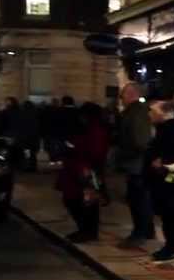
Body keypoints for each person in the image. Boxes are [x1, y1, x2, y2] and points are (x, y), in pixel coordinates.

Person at [55, 103, 110, 243]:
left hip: (85, 171)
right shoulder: (87, 128)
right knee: (79, 201)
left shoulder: (95, 130)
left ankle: (88, 231)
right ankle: (85, 230)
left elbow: (95, 152)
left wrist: (74, 149)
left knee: (83, 202)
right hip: (79, 169)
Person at [145, 99, 174, 261]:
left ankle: (173, 246)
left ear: (163, 113)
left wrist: (162, 162)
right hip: (161, 177)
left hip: (171, 177)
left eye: (152, 112)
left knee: (172, 212)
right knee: (165, 212)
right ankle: (170, 244)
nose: (149, 115)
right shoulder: (163, 128)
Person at [115, 83, 156, 246]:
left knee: (138, 199)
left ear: (131, 95)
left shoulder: (136, 113)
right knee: (140, 198)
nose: (121, 98)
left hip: (137, 164)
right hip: (137, 163)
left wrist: (127, 152)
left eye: (123, 95)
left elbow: (140, 141)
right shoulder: (137, 111)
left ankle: (140, 232)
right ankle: (146, 230)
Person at [14, 100, 41, 172]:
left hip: (24, 137)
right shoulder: (35, 114)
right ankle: (33, 166)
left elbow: (19, 126)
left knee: (26, 152)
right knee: (32, 153)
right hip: (33, 137)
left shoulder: (21, 114)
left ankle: (27, 166)